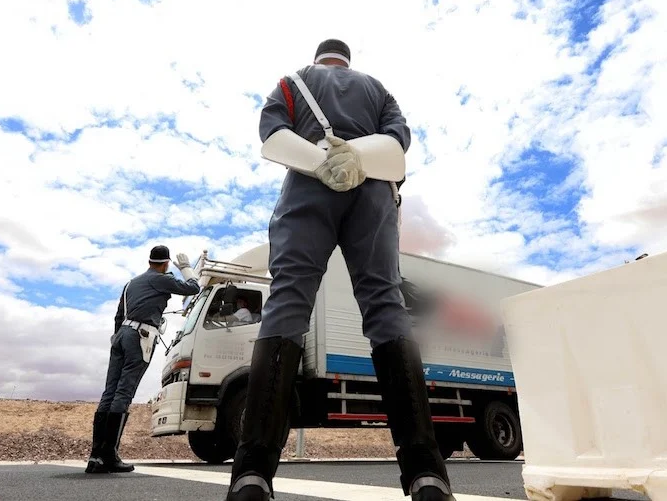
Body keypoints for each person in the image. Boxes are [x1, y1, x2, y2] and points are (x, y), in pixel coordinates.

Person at [225, 40, 455, 500]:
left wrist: (322, 162)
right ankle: (426, 475)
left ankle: (252, 475)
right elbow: (399, 140)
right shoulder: (377, 88)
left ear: (319, 57)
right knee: (385, 306)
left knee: (288, 304)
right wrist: (357, 160)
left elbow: (272, 134)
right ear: (348, 60)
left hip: (308, 182)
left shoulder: (293, 81)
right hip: (372, 191)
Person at [85, 245, 201, 474]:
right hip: (140, 336)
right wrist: (187, 268)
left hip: (120, 336)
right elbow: (193, 288)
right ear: (166, 263)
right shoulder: (161, 279)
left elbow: (119, 315)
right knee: (124, 393)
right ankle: (109, 455)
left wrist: (119, 336)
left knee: (109, 392)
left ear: (149, 261)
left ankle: (95, 456)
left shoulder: (131, 283)